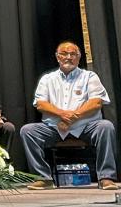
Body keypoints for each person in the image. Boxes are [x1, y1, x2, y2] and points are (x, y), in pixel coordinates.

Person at [21, 41, 119, 190]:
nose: (69, 57)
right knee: (28, 131)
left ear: (79, 58)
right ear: (57, 57)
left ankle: (106, 177)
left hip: (86, 126)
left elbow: (96, 102)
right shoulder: (47, 79)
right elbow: (41, 104)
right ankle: (43, 178)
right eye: (64, 54)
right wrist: (61, 114)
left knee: (106, 127)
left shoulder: (89, 76)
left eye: (73, 54)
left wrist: (74, 117)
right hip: (55, 127)